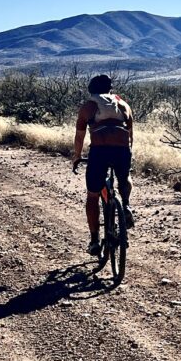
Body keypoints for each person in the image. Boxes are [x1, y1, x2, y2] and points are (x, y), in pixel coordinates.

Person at [72, 74, 135, 255]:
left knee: (92, 195)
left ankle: (94, 240)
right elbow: (130, 137)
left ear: (91, 90)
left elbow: (79, 136)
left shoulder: (88, 107)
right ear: (110, 89)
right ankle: (126, 205)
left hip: (100, 152)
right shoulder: (123, 105)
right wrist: (127, 154)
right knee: (125, 176)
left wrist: (77, 156)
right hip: (122, 151)